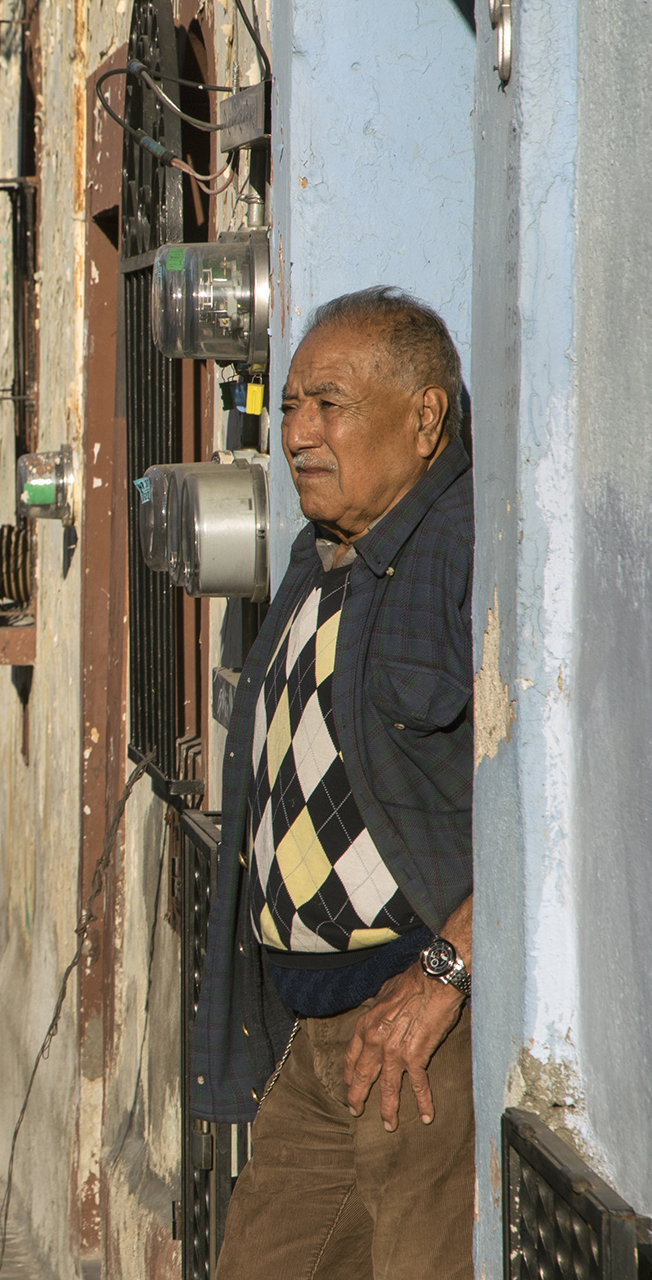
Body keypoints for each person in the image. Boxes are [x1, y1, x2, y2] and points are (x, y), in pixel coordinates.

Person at [196, 288, 475, 1279]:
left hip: (416, 1030)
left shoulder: (463, 554)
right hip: (315, 1038)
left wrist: (441, 976)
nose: (297, 433)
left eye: (329, 404)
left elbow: (544, 806)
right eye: (288, 406)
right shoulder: (323, 560)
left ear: (423, 417)